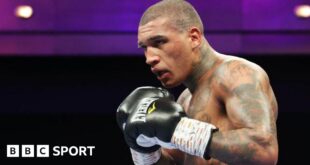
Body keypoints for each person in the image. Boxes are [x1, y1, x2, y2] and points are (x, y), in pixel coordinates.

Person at [116, 0, 278, 164]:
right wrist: (144, 151)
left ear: (194, 38)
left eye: (159, 42)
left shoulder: (237, 74)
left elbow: (264, 150)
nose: (149, 58)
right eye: (144, 47)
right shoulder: (185, 100)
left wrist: (180, 131)